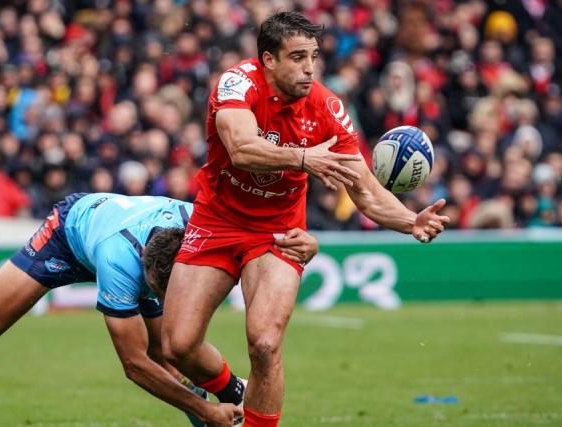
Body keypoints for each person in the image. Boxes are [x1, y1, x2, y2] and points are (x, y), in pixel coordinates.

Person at [160, 12, 451, 427]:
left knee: (263, 342)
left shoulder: (328, 108)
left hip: (278, 233)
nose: (309, 67)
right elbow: (241, 147)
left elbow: (364, 188)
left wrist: (410, 221)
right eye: (297, 57)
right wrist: (303, 157)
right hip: (217, 220)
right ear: (268, 60)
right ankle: (234, 391)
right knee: (178, 345)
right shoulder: (237, 84)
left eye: (313, 56)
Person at [0, 192, 320, 426]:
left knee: (177, 347)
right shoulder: (120, 264)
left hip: (124, 235)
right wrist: (203, 412)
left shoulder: (198, 228)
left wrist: (306, 240)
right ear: (148, 277)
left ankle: (233, 394)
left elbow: (260, 234)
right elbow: (134, 366)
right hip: (69, 232)